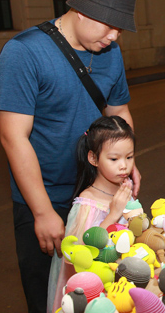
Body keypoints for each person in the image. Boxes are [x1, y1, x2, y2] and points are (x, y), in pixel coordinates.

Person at [0, 0, 141, 313]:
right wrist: (43, 211)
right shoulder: (23, 52)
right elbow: (13, 137)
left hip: (99, 195)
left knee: (104, 294)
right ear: (83, 10)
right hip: (47, 198)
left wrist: (126, 165)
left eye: (120, 28)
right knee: (53, 299)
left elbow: (119, 112)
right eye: (109, 25)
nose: (114, 35)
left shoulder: (110, 53)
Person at [47, 116, 135, 312]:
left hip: (122, 284)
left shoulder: (124, 187)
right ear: (93, 158)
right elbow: (76, 256)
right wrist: (113, 214)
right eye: (114, 159)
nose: (124, 166)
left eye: (129, 157)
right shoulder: (87, 204)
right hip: (97, 291)